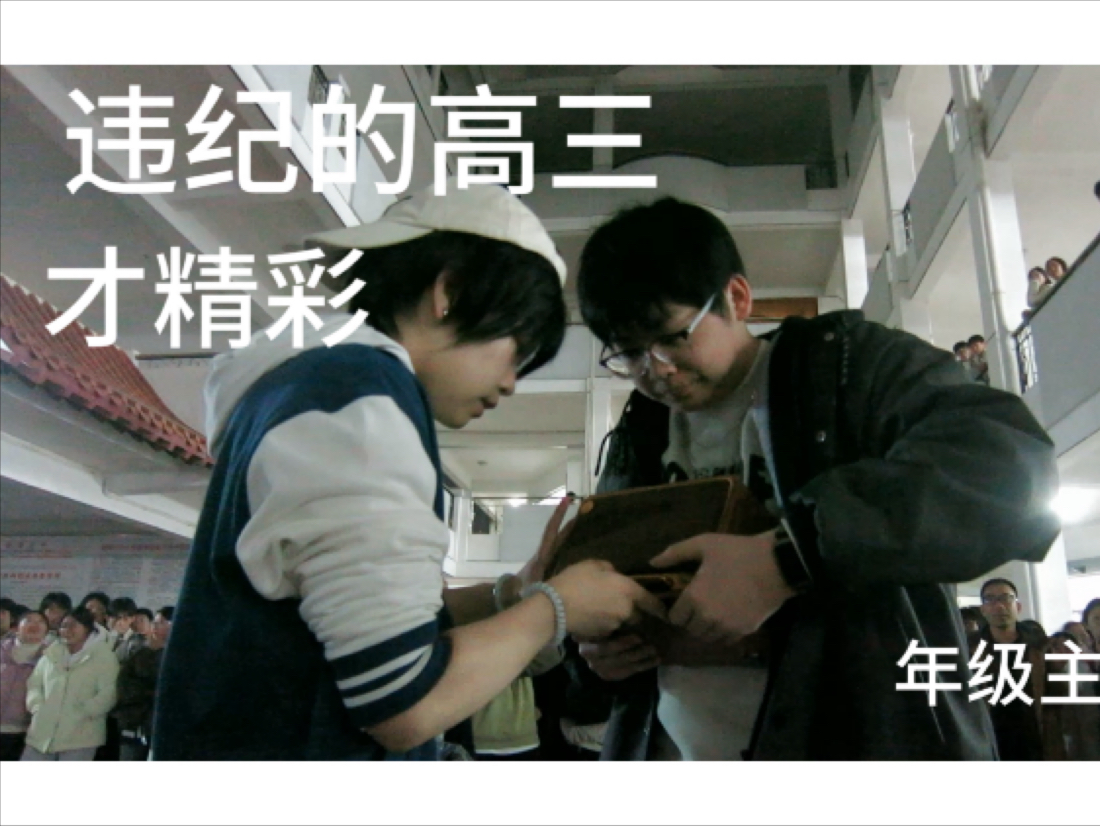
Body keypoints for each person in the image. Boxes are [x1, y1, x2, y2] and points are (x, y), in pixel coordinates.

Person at [153, 183, 664, 761]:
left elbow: (347, 629)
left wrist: (511, 596)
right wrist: (555, 609)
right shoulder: (359, 405)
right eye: (516, 349)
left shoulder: (310, 388)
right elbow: (401, 702)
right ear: (449, 291)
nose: (510, 383)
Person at [570, 196, 1059, 760]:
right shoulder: (639, 433)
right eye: (629, 354)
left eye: (672, 337)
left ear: (736, 298)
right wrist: (605, 654)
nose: (656, 370)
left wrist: (790, 558)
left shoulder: (849, 368)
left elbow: (1013, 474)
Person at [22, 608, 119, 761]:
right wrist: (37, 706)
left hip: (81, 736)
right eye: (63, 626)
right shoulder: (52, 653)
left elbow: (109, 693)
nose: (67, 630)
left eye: (73, 625)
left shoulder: (103, 656)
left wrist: (83, 711)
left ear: (87, 628)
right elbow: (34, 683)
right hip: (41, 733)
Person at [970, 578, 1045, 761]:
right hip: (991, 740)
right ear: (983, 610)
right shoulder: (970, 648)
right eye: (990, 599)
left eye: (1005, 598)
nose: (999, 606)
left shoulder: (1039, 646)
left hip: (1034, 739)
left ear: (1017, 606)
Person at [115, 607, 174, 761]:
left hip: (162, 724)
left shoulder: (179, 656)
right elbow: (124, 682)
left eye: (161, 622)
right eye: (154, 622)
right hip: (135, 721)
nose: (155, 626)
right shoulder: (141, 651)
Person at [0, 611, 50, 760]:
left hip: (25, 732)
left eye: (40, 622)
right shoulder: (2, 650)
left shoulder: (50, 657)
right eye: (28, 620)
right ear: (16, 628)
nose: (34, 625)